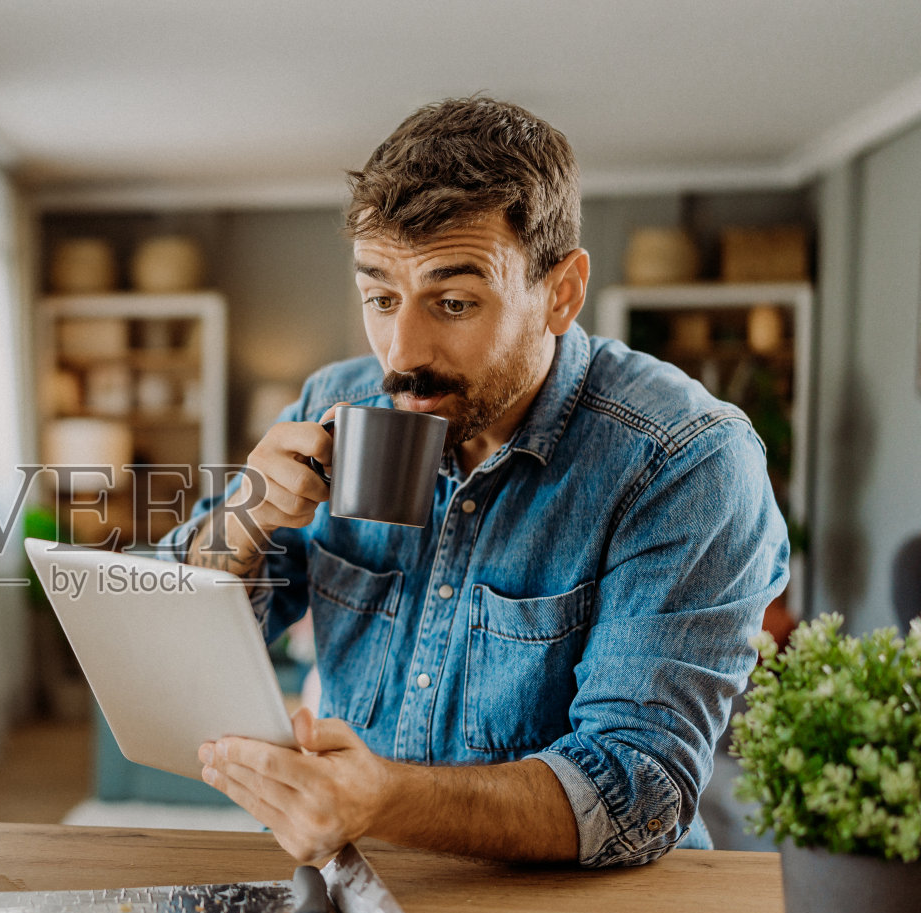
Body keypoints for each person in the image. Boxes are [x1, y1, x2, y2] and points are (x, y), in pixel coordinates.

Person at [163, 96, 789, 869]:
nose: (402, 352)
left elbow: (638, 788)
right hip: (362, 881)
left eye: (454, 302)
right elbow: (176, 639)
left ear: (561, 292)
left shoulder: (686, 461)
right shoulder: (339, 403)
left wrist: (382, 800)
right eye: (381, 298)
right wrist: (242, 518)